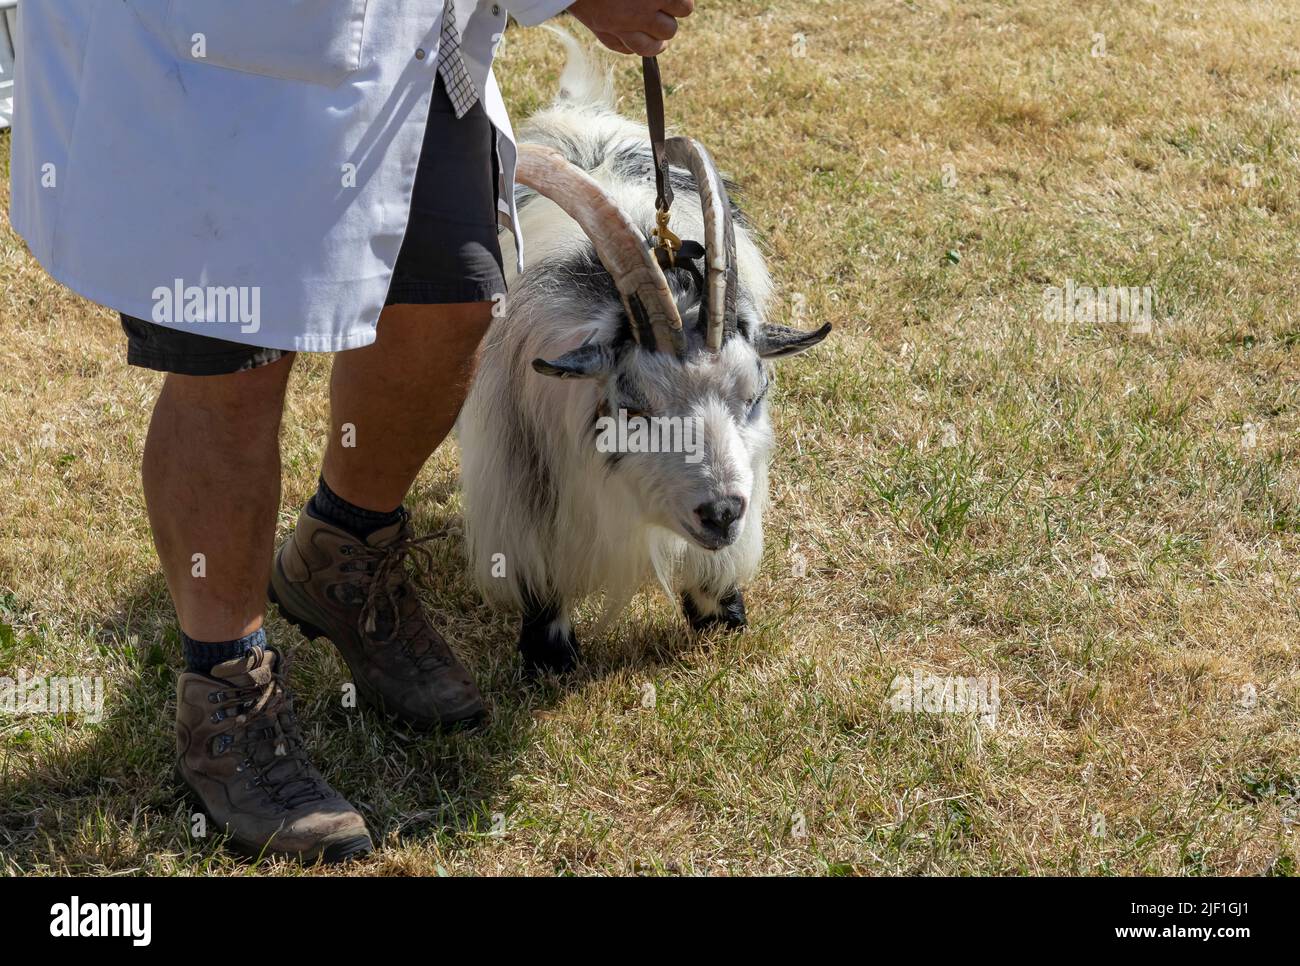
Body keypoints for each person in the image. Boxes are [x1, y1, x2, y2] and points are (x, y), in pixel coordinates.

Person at [8, 0, 694, 863]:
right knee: (235, 369)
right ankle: (225, 693)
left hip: (409, 33)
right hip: (227, 48)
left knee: (452, 304)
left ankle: (343, 555)